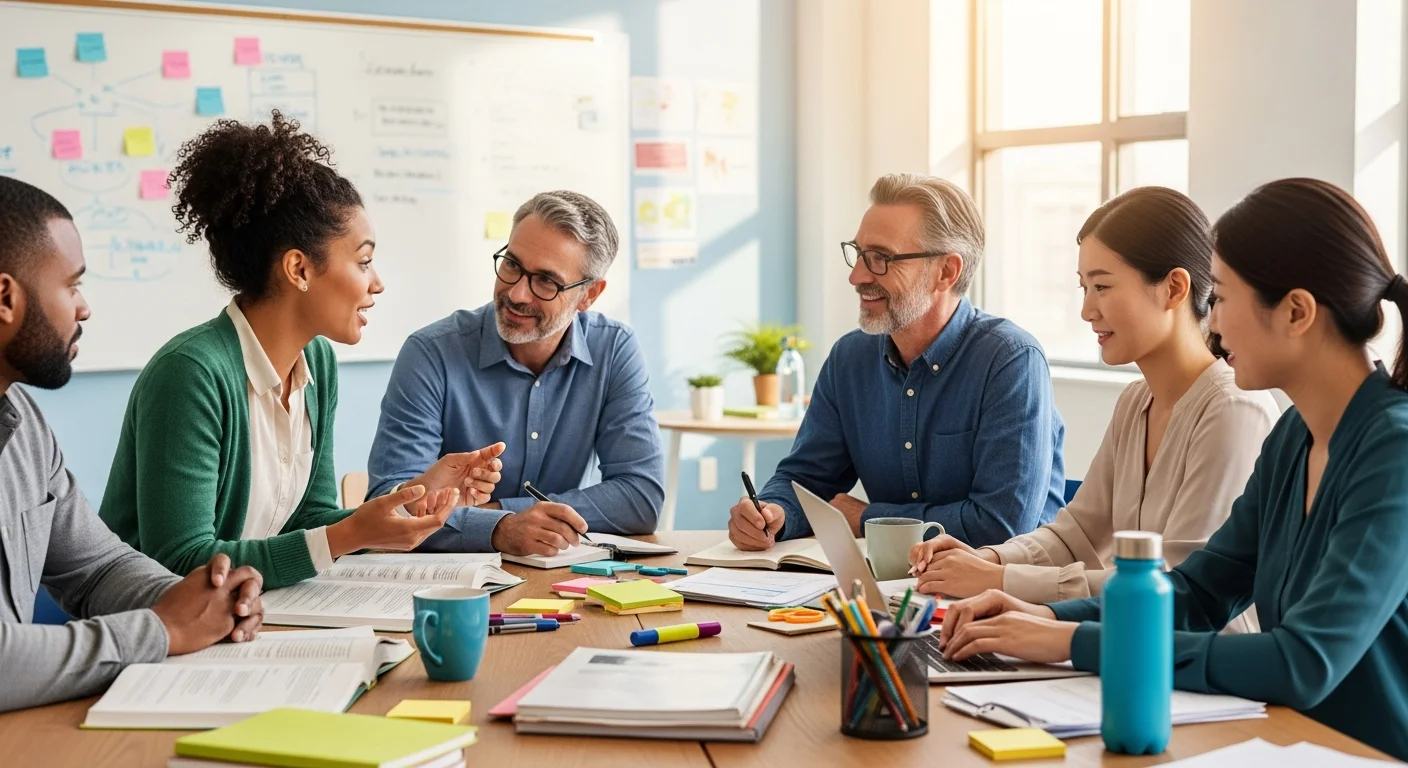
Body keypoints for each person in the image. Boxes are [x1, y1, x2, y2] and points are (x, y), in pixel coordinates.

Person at [938, 178, 1408, 761]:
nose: (1214, 322)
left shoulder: (1393, 450)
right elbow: (1196, 590)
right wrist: (1040, 615)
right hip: (1285, 740)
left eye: (1227, 298)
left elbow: (1303, 660)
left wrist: (1071, 640)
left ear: (1296, 312)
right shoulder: (1295, 434)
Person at [99, 112, 504, 590]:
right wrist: (346, 535)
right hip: (149, 631)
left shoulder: (317, 363)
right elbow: (181, 560)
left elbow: (306, 515)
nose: (377, 283)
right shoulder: (191, 374)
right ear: (299, 269)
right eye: (364, 261)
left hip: (244, 617)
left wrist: (410, 501)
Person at [908, 188, 1277, 630]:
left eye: (1102, 286)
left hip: (1202, 670)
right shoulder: (1135, 402)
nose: (1086, 310)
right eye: (1084, 288)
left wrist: (1000, 578)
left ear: (1174, 288)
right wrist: (984, 557)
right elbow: (1076, 535)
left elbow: (1175, 586)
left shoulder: (1233, 410)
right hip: (1122, 643)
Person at [0, 176, 266, 712]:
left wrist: (204, 599)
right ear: (5, 298)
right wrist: (159, 631)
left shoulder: (24, 421)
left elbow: (96, 568)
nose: (84, 308)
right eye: (72, 285)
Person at [727, 173, 1065, 551]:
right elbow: (806, 478)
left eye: (881, 259)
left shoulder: (1011, 362)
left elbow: (1002, 526)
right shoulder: (849, 359)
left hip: (1003, 596)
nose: (857, 276)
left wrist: (866, 518)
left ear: (946, 272)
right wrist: (774, 513)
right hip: (895, 585)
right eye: (857, 254)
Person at [367, 190, 664, 556]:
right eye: (512, 264)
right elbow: (387, 506)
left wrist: (495, 514)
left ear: (589, 295)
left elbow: (641, 497)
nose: (517, 292)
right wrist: (501, 530)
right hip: (449, 588)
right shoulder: (431, 353)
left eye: (546, 281)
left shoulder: (614, 349)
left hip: (563, 581)